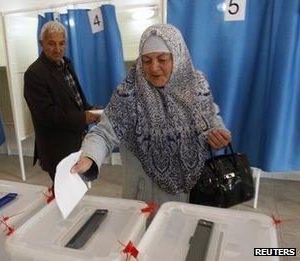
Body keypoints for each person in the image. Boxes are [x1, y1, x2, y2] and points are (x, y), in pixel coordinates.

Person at [71, 24, 231, 205]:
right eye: (146, 61)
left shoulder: (195, 86)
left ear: (178, 57)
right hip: (144, 196)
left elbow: (211, 117)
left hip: (191, 192)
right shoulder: (129, 93)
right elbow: (103, 133)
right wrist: (89, 157)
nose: (154, 68)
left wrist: (219, 132)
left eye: (162, 59)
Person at [24, 21, 100, 183]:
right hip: (57, 148)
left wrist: (91, 110)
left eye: (62, 43)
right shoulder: (34, 74)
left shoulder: (66, 64)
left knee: (79, 187)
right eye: (51, 43)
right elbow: (46, 115)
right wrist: (83, 118)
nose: (57, 49)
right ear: (41, 44)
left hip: (77, 141)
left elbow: (76, 100)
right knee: (65, 195)